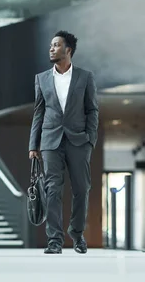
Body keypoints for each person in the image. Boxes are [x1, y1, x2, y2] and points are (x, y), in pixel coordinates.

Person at [28, 30, 99, 254]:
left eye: (56, 45)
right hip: (50, 141)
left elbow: (92, 110)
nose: (51, 48)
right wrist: (33, 145)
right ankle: (54, 240)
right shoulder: (41, 79)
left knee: (81, 189)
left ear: (68, 50)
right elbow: (38, 113)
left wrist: (90, 140)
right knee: (52, 190)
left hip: (79, 141)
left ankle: (77, 234)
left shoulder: (85, 77)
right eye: (51, 45)